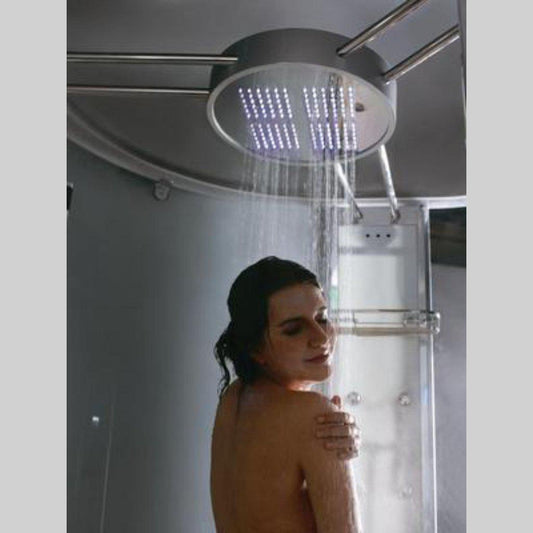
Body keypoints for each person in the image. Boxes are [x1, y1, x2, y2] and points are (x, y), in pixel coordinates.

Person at [211, 256, 362, 532]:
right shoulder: (314, 416)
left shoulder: (233, 398)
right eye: (294, 329)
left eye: (322, 318)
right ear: (255, 349)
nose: (321, 337)